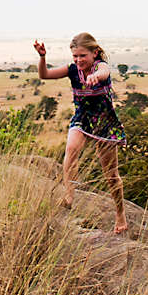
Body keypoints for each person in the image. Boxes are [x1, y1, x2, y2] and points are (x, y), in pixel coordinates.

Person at [35, 32, 128, 234]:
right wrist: (42, 57)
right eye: (75, 56)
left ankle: (120, 213)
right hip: (82, 117)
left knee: (111, 175)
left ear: (94, 53)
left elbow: (103, 71)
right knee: (71, 149)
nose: (78, 60)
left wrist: (95, 76)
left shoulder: (100, 66)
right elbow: (44, 75)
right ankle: (69, 195)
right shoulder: (72, 70)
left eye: (82, 56)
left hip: (104, 122)